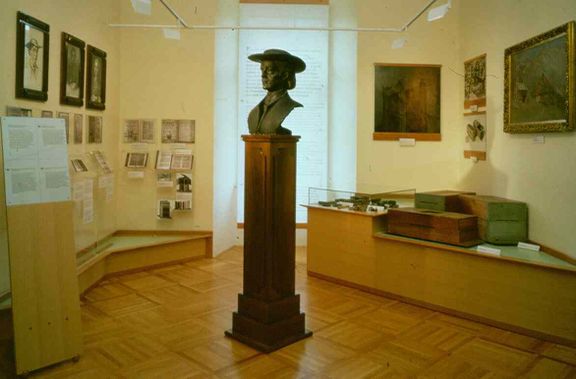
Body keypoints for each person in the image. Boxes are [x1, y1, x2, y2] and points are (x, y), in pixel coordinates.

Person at [247, 49, 306, 135]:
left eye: (270, 70)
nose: (263, 75)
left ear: (285, 75)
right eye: (262, 70)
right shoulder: (254, 113)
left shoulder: (292, 108)